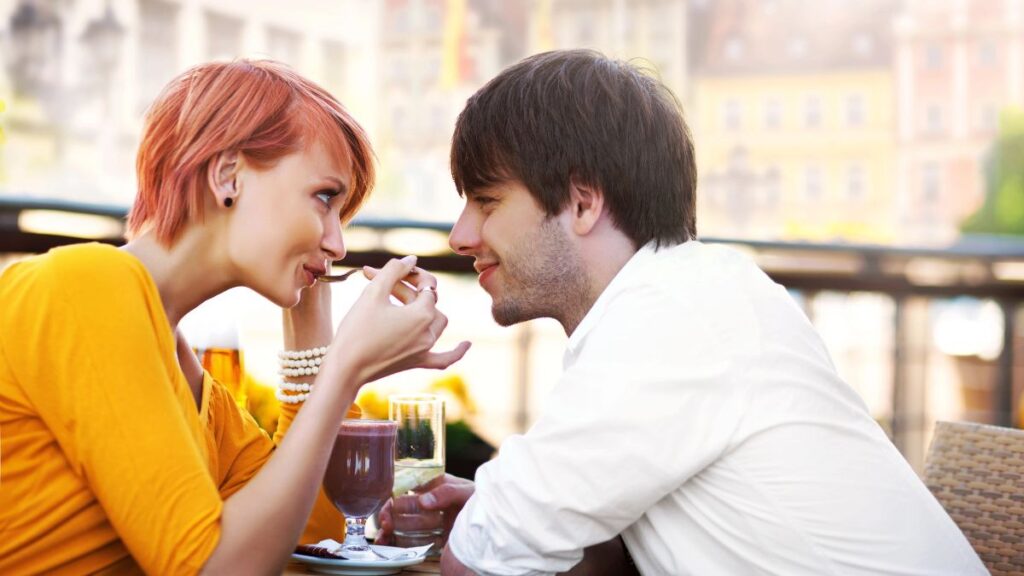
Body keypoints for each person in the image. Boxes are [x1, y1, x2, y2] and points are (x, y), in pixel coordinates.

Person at [377, 50, 987, 575]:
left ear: (582, 203)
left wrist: (490, 519)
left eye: (486, 201)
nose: (460, 235)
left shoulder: (667, 320)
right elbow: (592, 552)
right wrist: (491, 508)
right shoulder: (692, 296)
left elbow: (480, 561)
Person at [0, 59, 469, 575]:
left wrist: (313, 325)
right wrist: (346, 368)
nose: (337, 243)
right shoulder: (83, 285)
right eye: (324, 198)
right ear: (228, 175)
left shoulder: (200, 396)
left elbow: (309, 538)